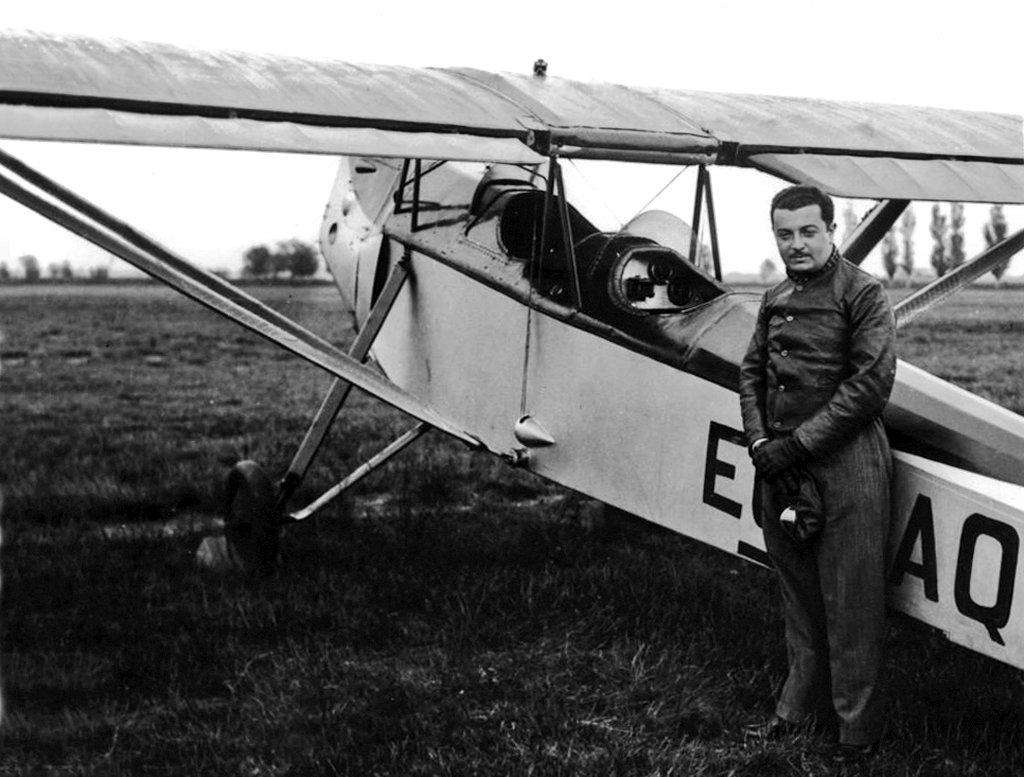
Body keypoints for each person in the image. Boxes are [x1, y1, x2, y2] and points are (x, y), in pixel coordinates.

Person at [738, 184, 896, 761]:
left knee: (852, 603)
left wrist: (795, 446)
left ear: (832, 229)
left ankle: (858, 734)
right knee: (799, 598)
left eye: (809, 231)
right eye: (785, 234)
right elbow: (751, 374)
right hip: (779, 466)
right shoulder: (774, 295)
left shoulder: (863, 292)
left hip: (845, 464)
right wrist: (759, 440)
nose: (797, 244)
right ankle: (797, 711)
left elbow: (868, 388)